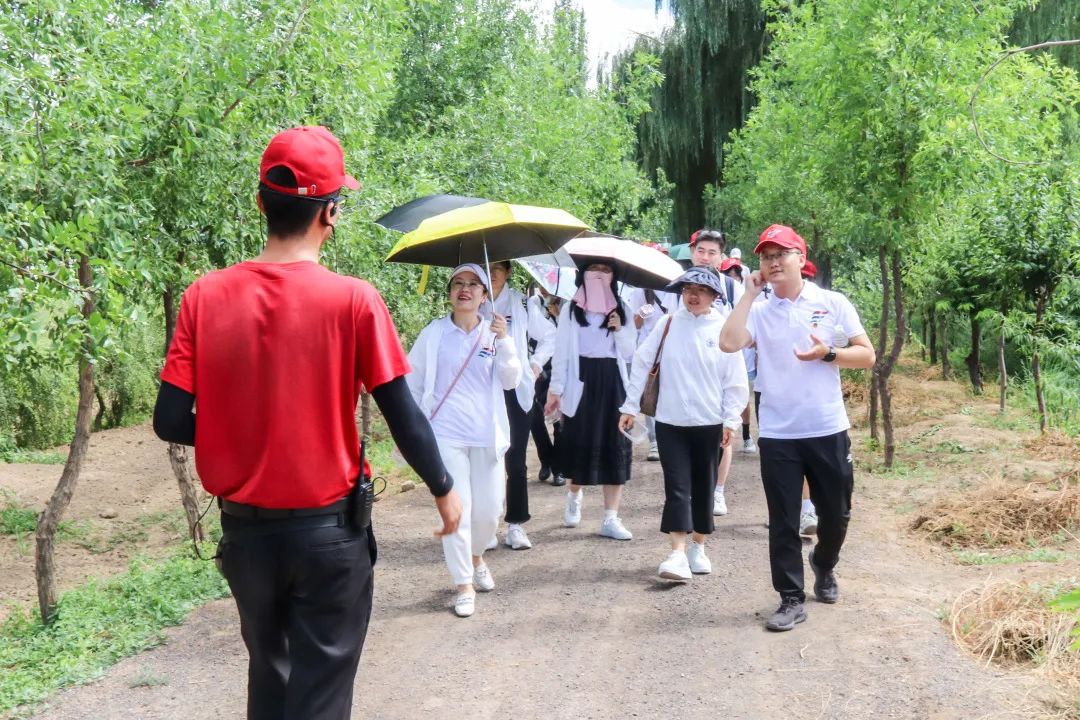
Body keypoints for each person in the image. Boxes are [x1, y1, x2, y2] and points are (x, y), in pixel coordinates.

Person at [152, 126, 462, 720]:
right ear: (331, 213)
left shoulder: (204, 296)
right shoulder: (354, 300)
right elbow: (403, 415)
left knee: (270, 682)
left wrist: (237, 429)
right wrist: (443, 489)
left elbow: (170, 419)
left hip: (246, 538)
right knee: (320, 697)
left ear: (260, 203)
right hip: (329, 538)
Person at [720, 224, 875, 632]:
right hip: (778, 433)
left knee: (836, 514)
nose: (772, 262)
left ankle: (824, 562)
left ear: (800, 259)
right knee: (784, 519)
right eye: (766, 257)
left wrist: (829, 354)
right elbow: (728, 343)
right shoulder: (759, 310)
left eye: (780, 255)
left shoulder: (831, 302)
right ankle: (790, 598)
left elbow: (867, 355)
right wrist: (748, 295)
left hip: (827, 426)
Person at [407, 263, 522, 618]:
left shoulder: (494, 333)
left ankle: (476, 558)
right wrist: (414, 428)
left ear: (485, 296)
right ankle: (463, 585)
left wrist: (505, 342)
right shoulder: (434, 334)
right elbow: (412, 382)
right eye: (458, 283)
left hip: (486, 435)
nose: (465, 290)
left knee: (489, 512)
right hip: (446, 435)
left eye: (474, 284)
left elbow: (511, 381)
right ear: (450, 292)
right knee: (459, 510)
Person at [619, 267, 748, 581]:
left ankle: (698, 547)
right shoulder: (668, 323)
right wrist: (631, 405)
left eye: (702, 290)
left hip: (710, 422)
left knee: (704, 486)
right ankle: (676, 553)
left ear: (714, 296)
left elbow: (735, 381)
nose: (694, 295)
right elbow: (642, 361)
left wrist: (731, 420)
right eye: (689, 289)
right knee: (677, 487)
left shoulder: (723, 329)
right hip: (670, 420)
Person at [545, 262, 636, 540]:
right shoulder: (571, 310)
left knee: (616, 444)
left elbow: (630, 352)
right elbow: (561, 351)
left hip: (613, 382)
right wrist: (556, 389)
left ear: (614, 276)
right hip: (580, 380)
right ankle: (574, 495)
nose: (599, 275)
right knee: (578, 442)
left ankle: (611, 517)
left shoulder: (622, 308)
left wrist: (619, 329)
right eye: (593, 269)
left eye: (605, 270)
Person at [485, 260, 555, 551]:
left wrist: (535, 364)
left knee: (515, 458)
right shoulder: (473, 301)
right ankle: (486, 525)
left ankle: (515, 524)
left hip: (516, 389)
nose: (491, 274)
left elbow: (549, 336)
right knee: (485, 458)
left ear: (509, 272)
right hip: (481, 390)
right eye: (486, 268)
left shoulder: (523, 304)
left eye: (498, 269)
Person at [686, 229, 744, 517]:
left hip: (720, 365)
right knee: (687, 429)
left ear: (721, 257)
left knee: (723, 429)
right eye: (701, 251)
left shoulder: (731, 288)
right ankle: (691, 489)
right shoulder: (680, 284)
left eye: (712, 252)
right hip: (686, 368)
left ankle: (717, 491)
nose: (705, 257)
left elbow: (744, 322)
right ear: (692, 252)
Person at [626, 283, 677, 461]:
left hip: (672, 349)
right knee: (650, 393)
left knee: (670, 393)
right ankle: (655, 441)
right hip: (649, 350)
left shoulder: (676, 289)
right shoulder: (641, 291)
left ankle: (671, 438)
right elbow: (634, 325)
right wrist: (641, 314)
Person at [529, 291, 567, 487]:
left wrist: (559, 316)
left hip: (559, 369)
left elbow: (572, 339)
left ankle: (559, 468)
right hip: (534, 369)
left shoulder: (569, 304)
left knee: (559, 419)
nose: (546, 289)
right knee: (534, 418)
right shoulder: (532, 303)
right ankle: (546, 459)